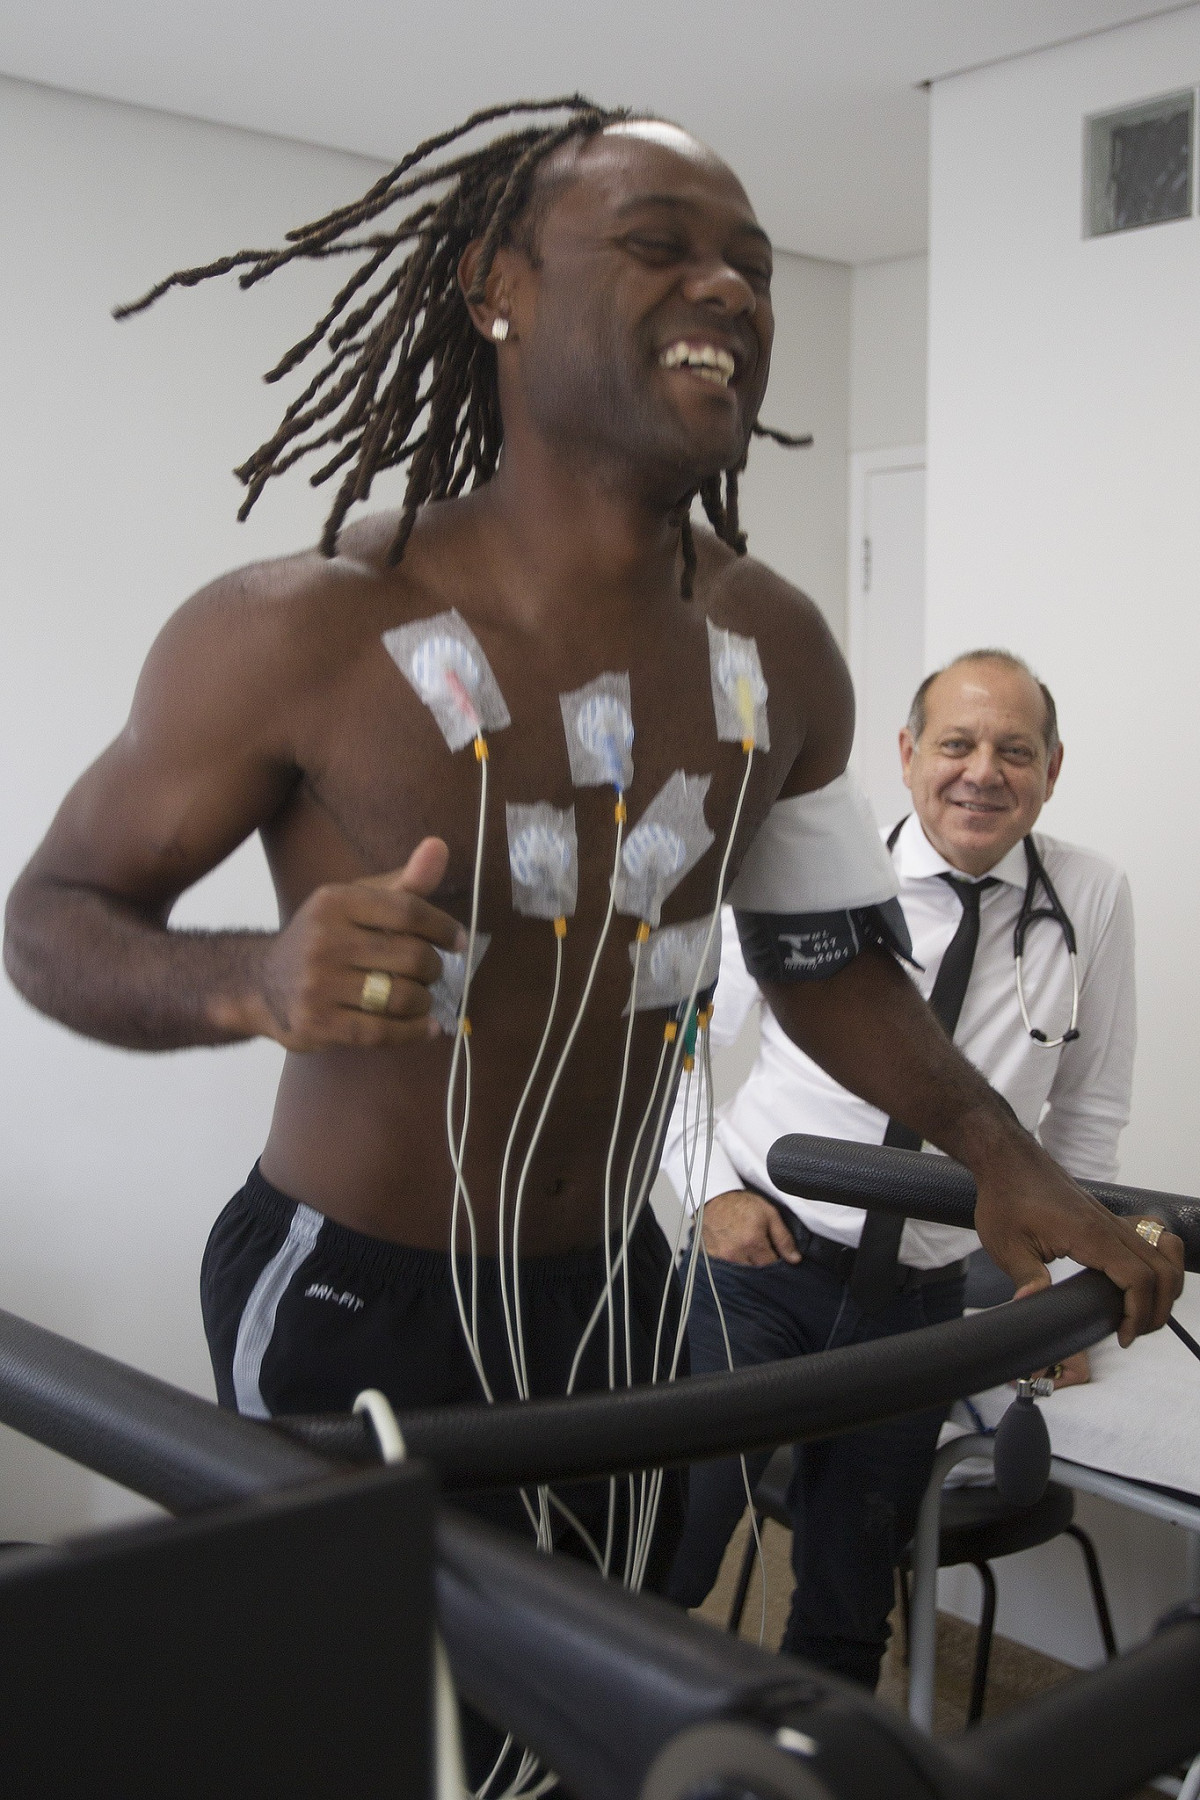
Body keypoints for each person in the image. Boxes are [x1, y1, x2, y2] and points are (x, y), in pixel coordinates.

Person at [3, 102, 1178, 1588]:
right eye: (659, 247)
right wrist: (251, 976)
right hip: (359, 1298)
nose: (734, 292)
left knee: (591, 1696)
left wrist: (1002, 1156)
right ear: (498, 287)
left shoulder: (779, 654)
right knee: (385, 1724)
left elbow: (829, 969)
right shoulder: (299, 629)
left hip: (617, 1285)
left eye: (753, 265)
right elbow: (51, 917)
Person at [661, 648, 1138, 1687]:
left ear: (1053, 769)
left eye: (1015, 751)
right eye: (957, 744)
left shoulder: (1091, 898)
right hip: (760, 1265)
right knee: (672, 1549)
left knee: (848, 1597)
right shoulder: (812, 877)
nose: (983, 772)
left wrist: (1057, 1287)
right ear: (908, 753)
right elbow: (673, 1044)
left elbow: (1088, 1115)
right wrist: (709, 1193)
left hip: (916, 1303)